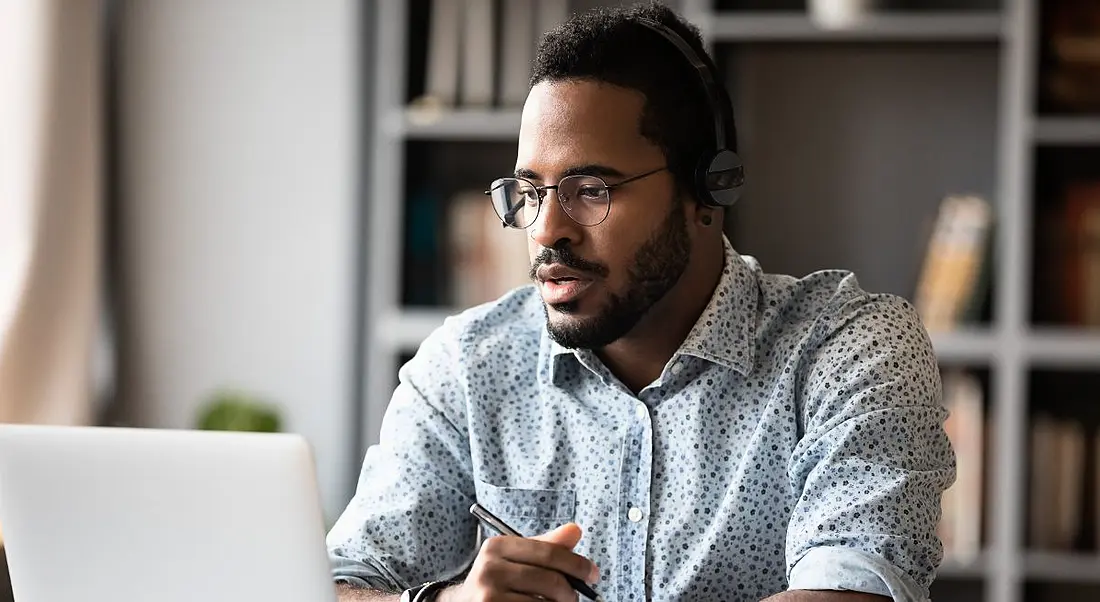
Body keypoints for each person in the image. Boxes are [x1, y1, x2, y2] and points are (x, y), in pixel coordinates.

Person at [327, 2, 955, 601]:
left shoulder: (851, 349)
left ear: (707, 188)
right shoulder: (467, 367)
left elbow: (853, 590)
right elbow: (334, 583)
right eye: (530, 191)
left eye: (591, 189)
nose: (547, 230)